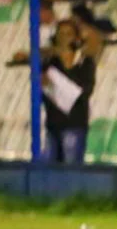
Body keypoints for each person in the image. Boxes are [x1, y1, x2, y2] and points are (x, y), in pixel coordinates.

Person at [42, 18, 100, 164]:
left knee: (71, 167)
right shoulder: (50, 62)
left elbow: (85, 91)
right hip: (53, 123)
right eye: (60, 34)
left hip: (74, 123)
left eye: (68, 34)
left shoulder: (84, 62)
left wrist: (64, 73)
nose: (63, 38)